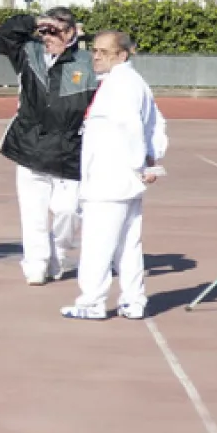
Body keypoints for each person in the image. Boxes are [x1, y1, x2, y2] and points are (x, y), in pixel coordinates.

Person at [61, 31, 167, 320]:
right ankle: (133, 300)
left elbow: (133, 127)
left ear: (122, 55)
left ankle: (91, 302)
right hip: (121, 178)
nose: (96, 57)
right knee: (128, 244)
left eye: (104, 52)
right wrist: (150, 159)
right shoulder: (126, 82)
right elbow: (155, 123)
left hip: (110, 178)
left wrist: (141, 163)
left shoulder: (122, 84)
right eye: (94, 50)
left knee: (98, 242)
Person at [0, 7, 98, 285]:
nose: (48, 37)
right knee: (33, 214)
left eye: (55, 31)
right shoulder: (30, 53)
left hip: (69, 150)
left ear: (71, 33)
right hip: (30, 145)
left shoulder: (87, 63)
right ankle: (36, 263)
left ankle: (58, 252)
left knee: (68, 210)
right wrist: (35, 21)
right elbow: (5, 34)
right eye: (44, 32)